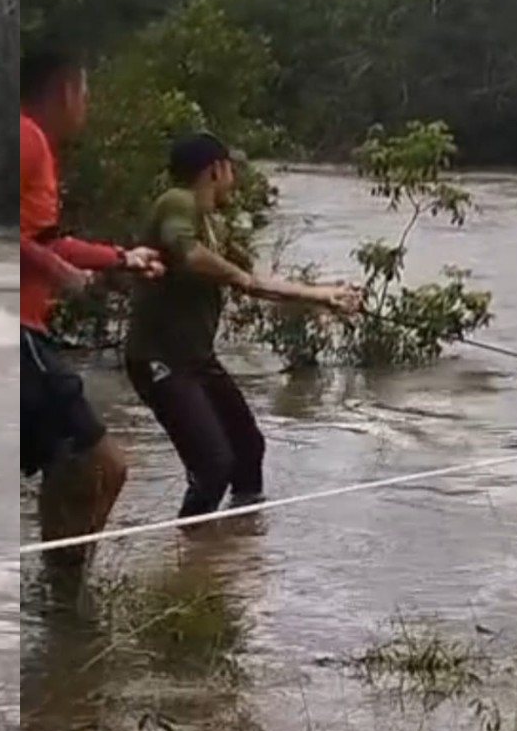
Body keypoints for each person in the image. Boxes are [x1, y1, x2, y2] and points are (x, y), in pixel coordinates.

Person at [125, 133, 361, 520]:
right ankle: (192, 557)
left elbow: (254, 281)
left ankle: (235, 548)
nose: (233, 178)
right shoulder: (177, 201)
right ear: (215, 170)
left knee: (248, 447)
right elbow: (186, 253)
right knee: (214, 466)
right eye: (230, 169)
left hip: (196, 359)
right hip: (159, 359)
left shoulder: (215, 226)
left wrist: (323, 295)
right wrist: (239, 276)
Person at [19, 47, 163, 570]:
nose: (88, 104)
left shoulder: (35, 144)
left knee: (69, 466)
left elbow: (46, 241)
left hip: (26, 334)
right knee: (106, 466)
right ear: (64, 90)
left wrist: (122, 258)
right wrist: (59, 273)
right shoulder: (26, 139)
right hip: (18, 335)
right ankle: (64, 597)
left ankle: (53, 597)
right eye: (86, 91)